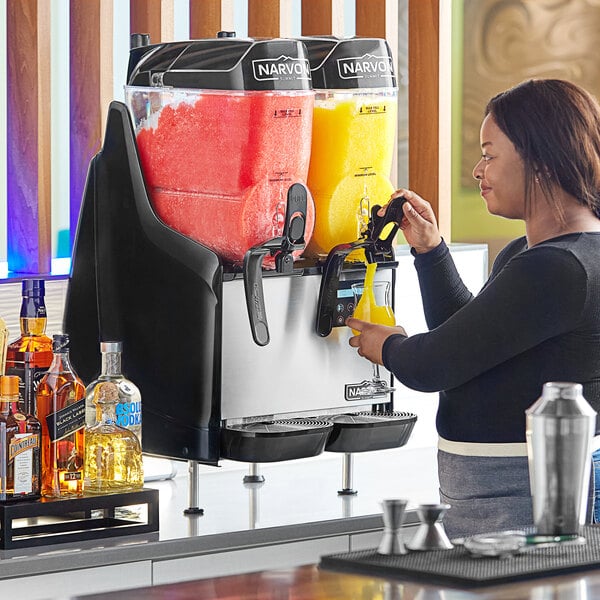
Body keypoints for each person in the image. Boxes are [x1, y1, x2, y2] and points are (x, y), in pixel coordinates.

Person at [347, 78, 600, 538]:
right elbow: (470, 347)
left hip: (526, 495)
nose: (477, 171)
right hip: (498, 488)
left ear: (539, 160)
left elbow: (436, 365)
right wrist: (431, 249)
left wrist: (387, 346)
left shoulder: (558, 268)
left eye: (489, 154)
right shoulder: (536, 254)